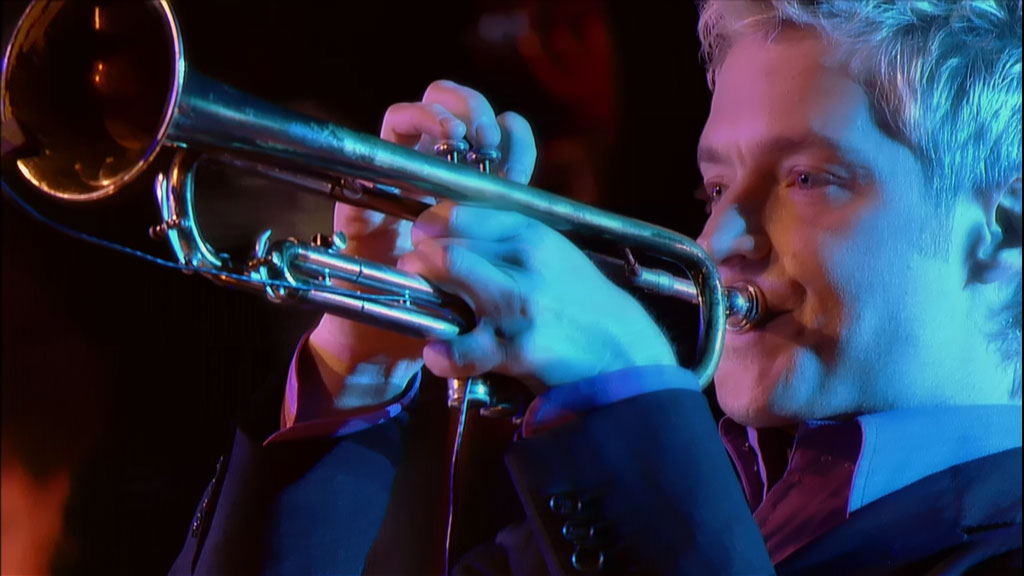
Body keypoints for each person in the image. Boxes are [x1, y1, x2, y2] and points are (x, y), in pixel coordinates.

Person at [170, 0, 1022, 574]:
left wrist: (625, 397)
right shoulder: (607, 514)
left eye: (807, 179)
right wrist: (356, 367)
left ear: (1004, 233)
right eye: (715, 188)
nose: (719, 240)